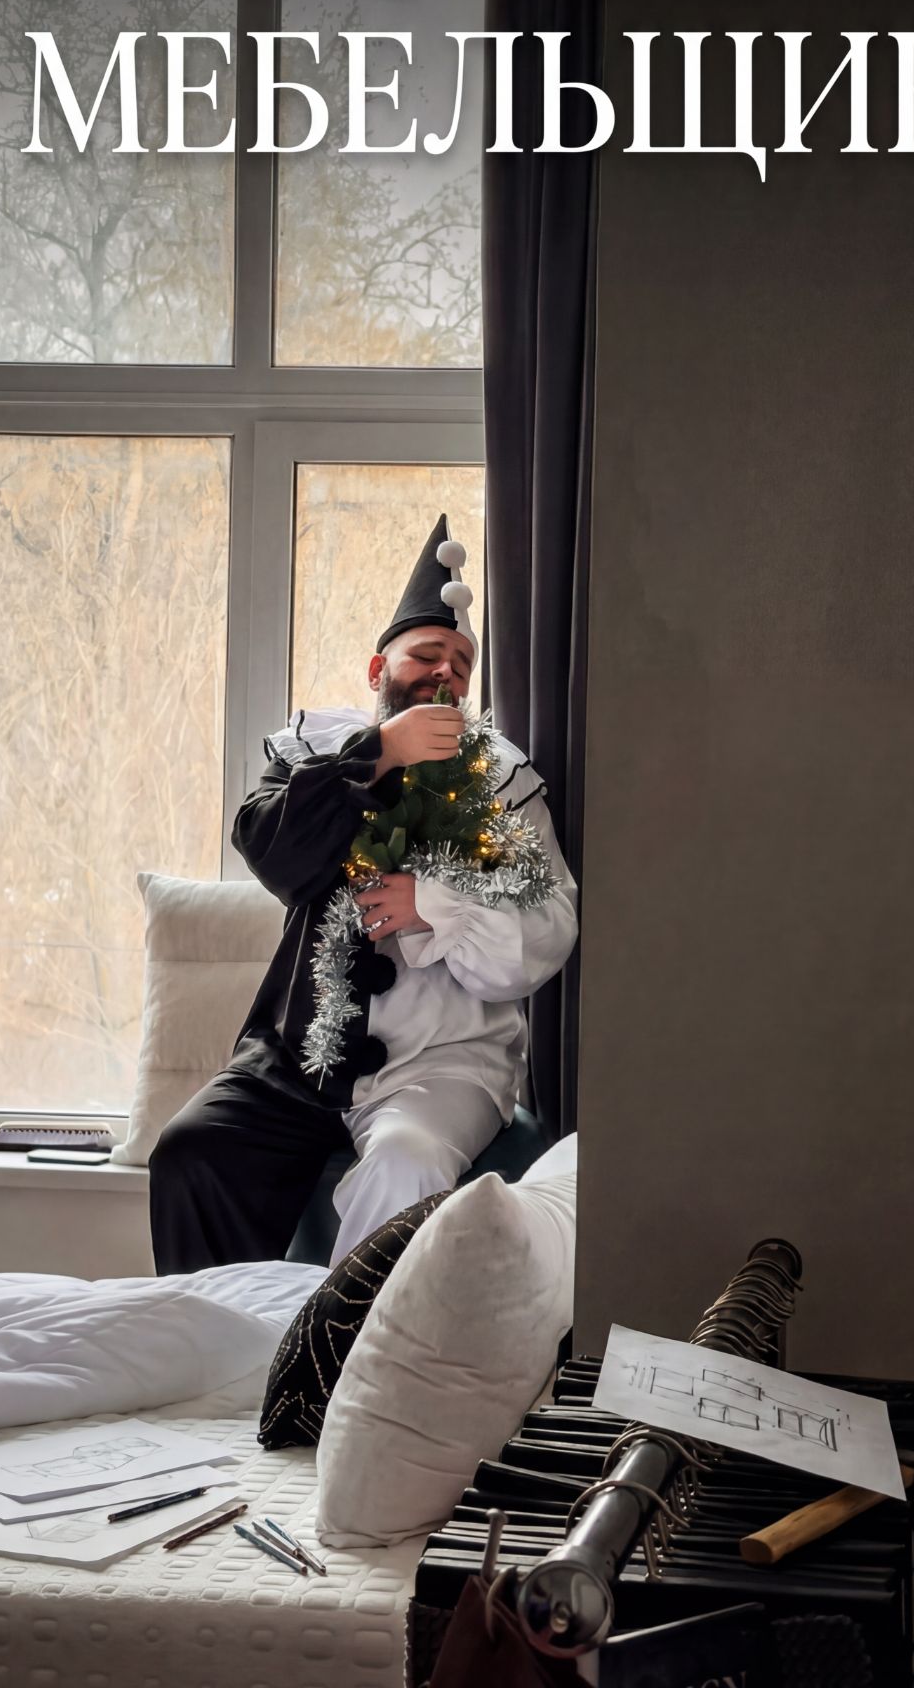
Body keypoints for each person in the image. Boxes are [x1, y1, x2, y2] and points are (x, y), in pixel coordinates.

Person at [149, 516, 578, 1274]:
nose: (443, 674)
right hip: (296, 1061)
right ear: (381, 667)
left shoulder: (504, 785)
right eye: (426, 655)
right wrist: (380, 754)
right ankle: (219, 1334)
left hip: (440, 1063)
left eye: (460, 664)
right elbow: (273, 853)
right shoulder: (318, 752)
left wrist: (433, 904)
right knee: (192, 1151)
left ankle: (343, 1343)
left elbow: (547, 928)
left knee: (405, 1163)